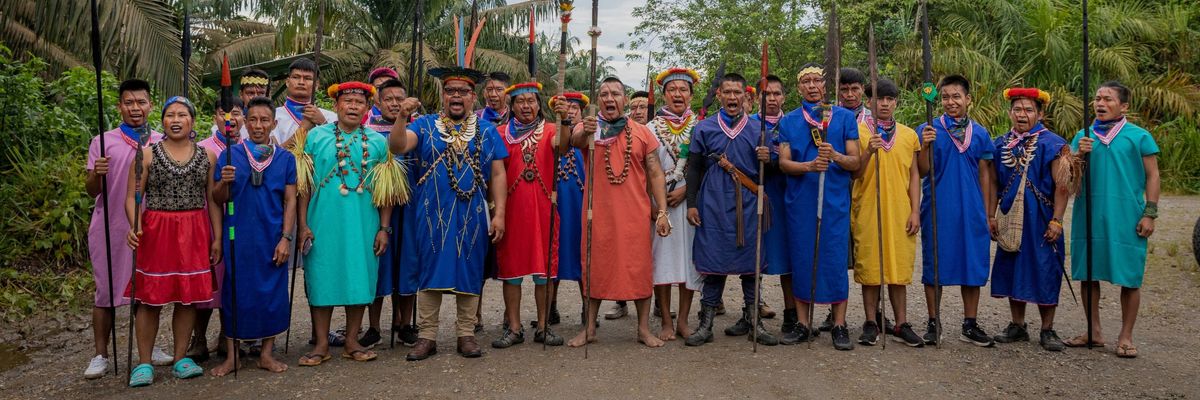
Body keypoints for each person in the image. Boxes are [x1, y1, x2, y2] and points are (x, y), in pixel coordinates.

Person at [387, 66, 508, 361]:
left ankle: (465, 334)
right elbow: (397, 146)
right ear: (442, 96)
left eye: (463, 92)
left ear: (473, 97)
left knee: (469, 269)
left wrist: (500, 214)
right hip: (431, 212)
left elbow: (498, 173)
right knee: (430, 270)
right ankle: (427, 336)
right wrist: (403, 116)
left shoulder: (487, 130)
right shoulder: (425, 125)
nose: (456, 96)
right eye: (450, 91)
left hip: (473, 212)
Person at [567, 77, 672, 348]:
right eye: (604, 94)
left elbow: (655, 172)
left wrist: (661, 211)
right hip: (597, 213)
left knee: (639, 268)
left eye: (615, 94)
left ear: (624, 99)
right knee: (594, 266)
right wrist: (584, 132)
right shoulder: (589, 127)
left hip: (634, 214)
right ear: (598, 100)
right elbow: (572, 141)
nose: (610, 99)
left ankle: (642, 329)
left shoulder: (641, 132)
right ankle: (589, 328)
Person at [295, 81, 394, 366]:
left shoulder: (377, 142)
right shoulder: (315, 138)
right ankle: (322, 343)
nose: (352, 106)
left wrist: (384, 229)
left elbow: (386, 191)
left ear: (367, 108)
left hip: (363, 223)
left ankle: (352, 340)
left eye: (358, 102)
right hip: (322, 221)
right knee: (322, 277)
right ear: (336, 106)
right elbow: (303, 187)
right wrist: (302, 225)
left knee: (359, 278)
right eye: (347, 101)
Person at [124, 96, 218, 386]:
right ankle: (144, 363)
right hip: (157, 230)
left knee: (187, 297)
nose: (175, 120)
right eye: (169, 115)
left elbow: (213, 200)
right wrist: (135, 225)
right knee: (150, 297)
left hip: (194, 229)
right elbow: (132, 196)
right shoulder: (146, 154)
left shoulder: (207, 156)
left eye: (182, 115)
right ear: (162, 121)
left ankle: (180, 358)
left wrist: (216, 237)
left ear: (192, 121)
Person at [84, 79, 173, 379]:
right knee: (106, 292)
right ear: (120, 105)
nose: (135, 108)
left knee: (147, 291)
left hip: (152, 225)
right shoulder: (103, 141)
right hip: (110, 226)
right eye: (129, 103)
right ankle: (101, 354)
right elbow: (91, 190)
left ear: (151, 104)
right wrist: (97, 174)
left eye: (141, 102)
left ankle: (148, 347)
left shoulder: (162, 141)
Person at [1066, 81, 1160, 358]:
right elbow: (1068, 179)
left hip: (1127, 215)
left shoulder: (1139, 136)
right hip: (1090, 214)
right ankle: (1093, 330)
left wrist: (1150, 213)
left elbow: (1153, 175)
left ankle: (1126, 335)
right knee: (1088, 273)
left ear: (1124, 106)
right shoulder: (1082, 136)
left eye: (1108, 99)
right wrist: (1078, 155)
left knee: (1130, 276)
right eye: (1097, 98)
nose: (1100, 103)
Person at [685, 73, 777, 347]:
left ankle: (754, 322)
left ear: (746, 97)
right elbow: (695, 169)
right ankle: (706, 323)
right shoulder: (704, 128)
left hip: (748, 204)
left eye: (738, 92)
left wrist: (768, 159)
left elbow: (770, 172)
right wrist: (691, 204)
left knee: (751, 265)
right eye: (727, 92)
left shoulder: (760, 130)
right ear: (720, 96)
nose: (733, 97)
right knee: (714, 264)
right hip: (713, 203)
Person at [209, 96, 298, 376]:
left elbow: (291, 200)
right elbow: (217, 197)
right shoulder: (230, 155)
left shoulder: (285, 159)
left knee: (272, 292)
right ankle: (233, 355)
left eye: (264, 120)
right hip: (239, 235)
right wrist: (225, 180)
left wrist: (286, 237)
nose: (258, 125)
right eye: (253, 120)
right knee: (236, 291)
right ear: (245, 123)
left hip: (272, 235)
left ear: (274, 123)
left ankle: (266, 353)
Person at [776, 64, 862, 350]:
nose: (812, 85)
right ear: (799, 87)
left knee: (835, 260)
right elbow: (784, 163)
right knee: (802, 258)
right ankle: (803, 323)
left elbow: (856, 162)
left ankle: (839, 324)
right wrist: (810, 165)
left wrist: (834, 155)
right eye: (806, 81)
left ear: (826, 86)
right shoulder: (788, 121)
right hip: (800, 202)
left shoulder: (845, 117)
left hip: (835, 200)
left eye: (817, 81)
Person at [987, 87, 1073, 352]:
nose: (1021, 115)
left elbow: (1062, 185)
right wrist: (991, 215)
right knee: (1013, 266)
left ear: (1040, 113)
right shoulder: (1001, 144)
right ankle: (1018, 325)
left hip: (1042, 218)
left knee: (1046, 268)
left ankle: (1047, 329)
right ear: (1010, 112)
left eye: (1028, 110)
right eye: (1017, 109)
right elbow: (991, 182)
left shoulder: (1053, 144)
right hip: (1012, 217)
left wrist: (1057, 220)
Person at [916, 74, 997, 347]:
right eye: (946, 97)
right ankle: (933, 321)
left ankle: (969, 323)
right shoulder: (929, 129)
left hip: (972, 208)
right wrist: (926, 145)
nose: (951, 102)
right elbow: (922, 170)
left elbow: (986, 175)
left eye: (956, 96)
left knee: (971, 263)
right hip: (939, 206)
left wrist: (987, 212)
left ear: (968, 99)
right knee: (934, 263)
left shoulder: (981, 134)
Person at [489, 81, 566, 348]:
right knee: (511, 271)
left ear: (539, 104)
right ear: (511, 106)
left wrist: (564, 118)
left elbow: (565, 146)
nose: (526, 106)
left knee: (544, 271)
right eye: (520, 101)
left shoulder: (552, 130)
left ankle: (544, 326)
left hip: (544, 209)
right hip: (511, 211)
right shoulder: (499, 133)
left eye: (531, 101)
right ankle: (514, 327)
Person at [850, 78, 924, 347]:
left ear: (896, 102)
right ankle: (871, 322)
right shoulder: (857, 131)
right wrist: (868, 151)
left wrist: (915, 210)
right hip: (868, 206)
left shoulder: (908, 135)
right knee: (870, 267)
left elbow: (915, 175)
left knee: (898, 268)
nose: (884, 103)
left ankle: (901, 323)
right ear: (869, 101)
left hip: (900, 209)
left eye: (889, 99)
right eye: (879, 99)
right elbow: (855, 171)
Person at [359, 77, 419, 348]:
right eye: (389, 99)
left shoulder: (417, 128)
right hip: (375, 205)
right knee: (378, 263)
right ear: (378, 102)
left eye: (399, 99)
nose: (394, 104)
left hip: (411, 205)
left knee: (408, 263)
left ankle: (405, 323)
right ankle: (373, 326)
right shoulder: (366, 131)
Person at [644, 68, 703, 342]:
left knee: (689, 262)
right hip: (661, 206)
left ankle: (683, 320)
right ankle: (665, 320)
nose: (677, 94)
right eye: (672, 90)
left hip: (690, 205)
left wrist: (686, 192)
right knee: (662, 261)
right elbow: (645, 169)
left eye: (683, 89)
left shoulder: (702, 126)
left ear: (691, 94)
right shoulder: (650, 128)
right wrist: (655, 204)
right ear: (665, 94)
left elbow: (706, 168)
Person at [188, 97, 245, 362]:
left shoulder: (250, 148)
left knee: (232, 281)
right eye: (224, 114)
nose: (229, 119)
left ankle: (227, 335)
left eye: (235, 113)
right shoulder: (201, 148)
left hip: (241, 223)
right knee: (207, 283)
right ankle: (198, 337)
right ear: (215, 118)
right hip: (207, 225)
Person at [548, 92, 589, 326]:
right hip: (557, 205)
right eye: (566, 107)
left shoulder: (589, 135)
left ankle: (587, 307)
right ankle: (550, 307)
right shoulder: (550, 135)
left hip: (581, 206)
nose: (571, 111)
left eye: (575, 107)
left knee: (583, 253)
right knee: (554, 254)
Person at [276, 58, 337, 150]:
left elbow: (340, 150)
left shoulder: (331, 117)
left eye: (307, 78)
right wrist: (303, 130)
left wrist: (323, 123)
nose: (301, 82)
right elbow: (267, 156)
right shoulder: (272, 116)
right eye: (296, 77)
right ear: (287, 82)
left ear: (316, 85)